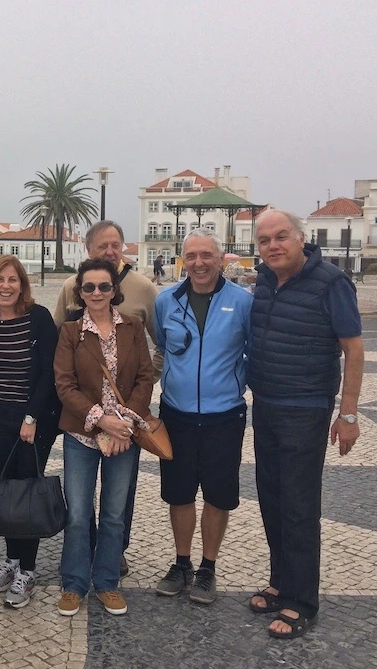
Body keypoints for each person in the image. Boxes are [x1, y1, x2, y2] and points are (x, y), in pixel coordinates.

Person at [247, 210, 363, 639]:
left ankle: (302, 601)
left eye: (281, 237)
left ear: (301, 238)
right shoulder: (263, 280)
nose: (273, 246)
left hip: (306, 408)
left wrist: (347, 413)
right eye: (264, 240)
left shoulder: (331, 283)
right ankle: (281, 582)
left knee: (298, 505)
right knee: (272, 498)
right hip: (266, 405)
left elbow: (353, 348)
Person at [53, 219, 162, 578]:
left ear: (114, 289)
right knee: (79, 510)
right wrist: (101, 419)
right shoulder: (71, 309)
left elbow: (152, 359)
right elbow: (62, 371)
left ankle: (111, 564)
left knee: (117, 508)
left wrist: (127, 417)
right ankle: (78, 569)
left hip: (126, 427)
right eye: (104, 246)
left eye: (117, 244)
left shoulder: (142, 293)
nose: (112, 251)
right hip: (83, 427)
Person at [151, 230, 252, 605]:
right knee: (178, 494)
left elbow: (253, 351)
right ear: (183, 260)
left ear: (220, 259)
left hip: (224, 415)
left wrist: (235, 382)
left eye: (206, 255)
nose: (199, 263)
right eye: (191, 256)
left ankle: (208, 567)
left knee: (218, 495)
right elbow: (163, 346)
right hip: (176, 414)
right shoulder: (166, 300)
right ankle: (182, 563)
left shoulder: (243, 301)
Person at [0, 256, 60, 609]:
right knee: (8, 490)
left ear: (22, 285)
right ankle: (11, 560)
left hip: (32, 420)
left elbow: (49, 372)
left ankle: (27, 570)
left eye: (12, 279)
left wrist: (31, 416)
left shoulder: (38, 318)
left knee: (27, 493)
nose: (6, 286)